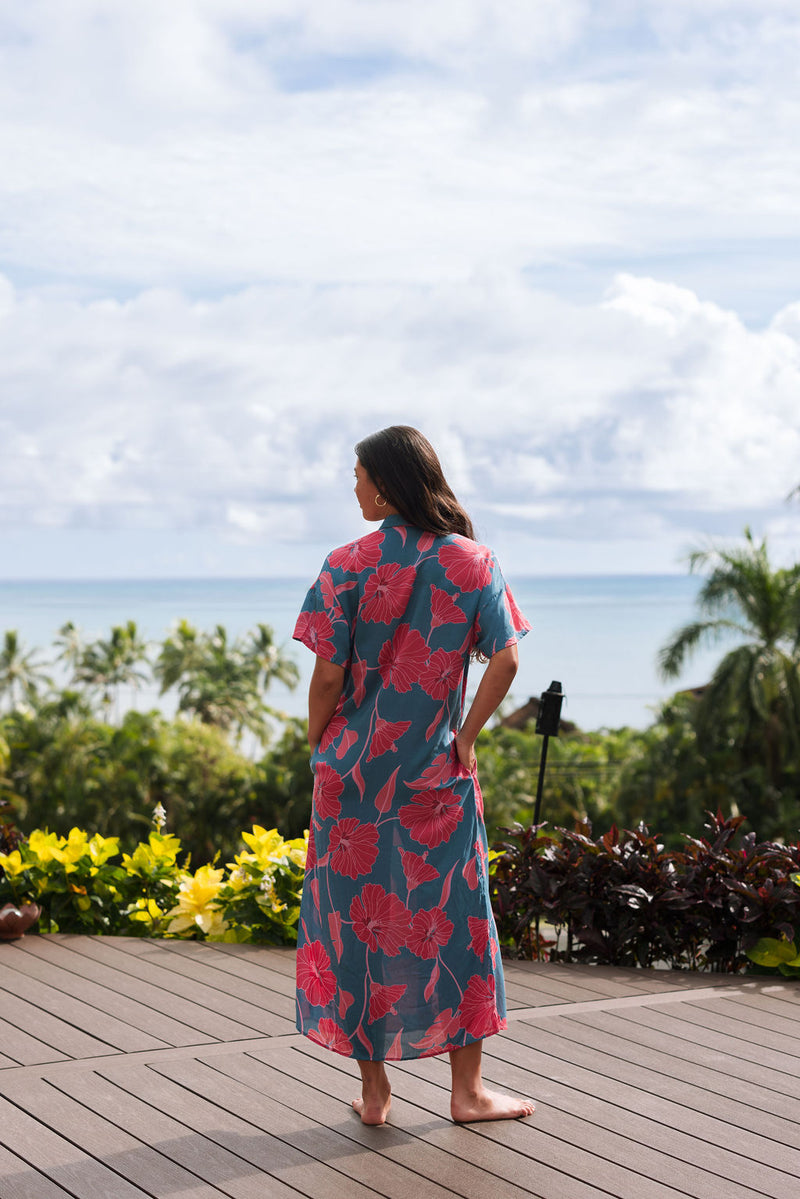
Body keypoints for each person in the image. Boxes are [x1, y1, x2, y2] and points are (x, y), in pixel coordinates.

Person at [292, 425, 534, 1125]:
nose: (356, 487)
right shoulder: (474, 561)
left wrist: (322, 744)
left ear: (391, 482)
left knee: (358, 925)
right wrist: (465, 736)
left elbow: (328, 675)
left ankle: (374, 1093)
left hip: (352, 780)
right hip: (435, 776)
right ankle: (467, 1092)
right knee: (459, 922)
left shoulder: (344, 563)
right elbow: (507, 660)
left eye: (361, 475)